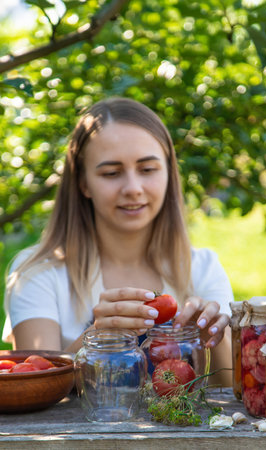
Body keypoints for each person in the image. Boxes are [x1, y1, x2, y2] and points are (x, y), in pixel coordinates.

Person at [3, 97, 234, 385]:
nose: (133, 188)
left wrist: (212, 337)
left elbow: (228, 388)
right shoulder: (36, 273)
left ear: (169, 172)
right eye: (111, 173)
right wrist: (96, 338)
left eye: (148, 169)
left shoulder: (203, 267)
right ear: (83, 183)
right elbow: (35, 383)